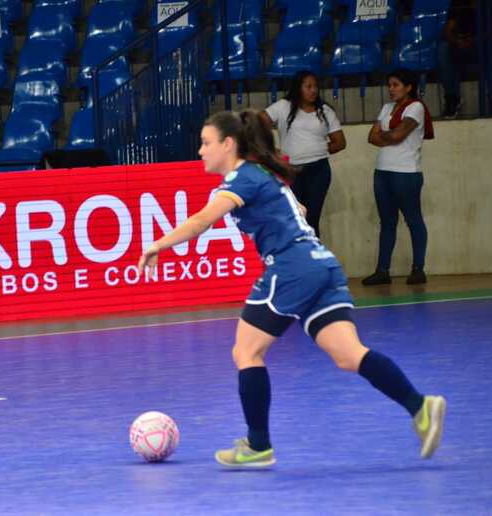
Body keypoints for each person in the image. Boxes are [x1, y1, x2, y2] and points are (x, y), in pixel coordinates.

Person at [138, 109, 446, 468]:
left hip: (291, 267)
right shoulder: (265, 177)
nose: (200, 151)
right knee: (349, 355)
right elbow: (297, 207)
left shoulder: (241, 179)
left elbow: (202, 220)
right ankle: (420, 406)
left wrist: (158, 244)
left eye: (206, 143)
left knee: (246, 353)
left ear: (228, 144)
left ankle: (258, 446)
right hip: (323, 265)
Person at [364, 68, 434, 286]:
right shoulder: (387, 107)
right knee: (387, 222)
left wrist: (385, 136)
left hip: (406, 172)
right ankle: (382, 270)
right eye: (389, 85)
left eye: (396, 85)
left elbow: (397, 135)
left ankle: (418, 269)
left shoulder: (416, 107)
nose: (391, 89)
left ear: (409, 87)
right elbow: (371, 137)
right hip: (382, 170)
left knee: (413, 219)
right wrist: (389, 137)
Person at [261, 71, 346, 237]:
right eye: (308, 86)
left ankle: (313, 259)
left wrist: (316, 149)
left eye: (315, 86)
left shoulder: (325, 111)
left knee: (312, 219)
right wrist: (270, 149)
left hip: (318, 170)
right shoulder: (283, 106)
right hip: (290, 171)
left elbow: (340, 142)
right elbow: (256, 124)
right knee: (293, 218)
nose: (313, 90)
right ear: (297, 88)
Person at [438, 0, 492, 118]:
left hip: (484, 44)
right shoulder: (457, 3)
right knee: (443, 48)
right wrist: (458, 41)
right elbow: (448, 31)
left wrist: (476, 39)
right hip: (461, 44)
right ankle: (452, 99)